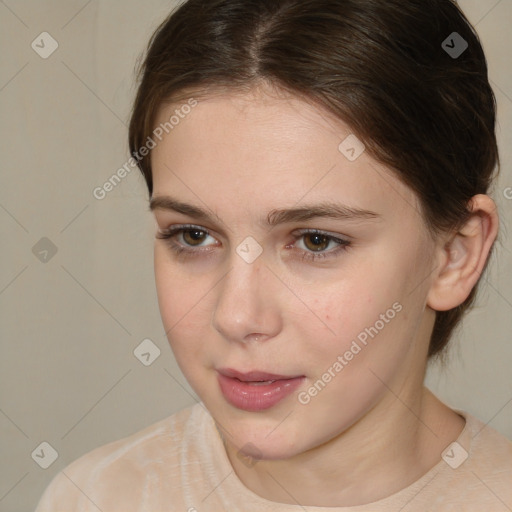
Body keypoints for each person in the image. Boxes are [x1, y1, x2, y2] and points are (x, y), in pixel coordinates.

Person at [35, 0, 512, 510]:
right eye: (194, 235)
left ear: (454, 256)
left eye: (316, 241)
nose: (236, 317)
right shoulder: (93, 498)